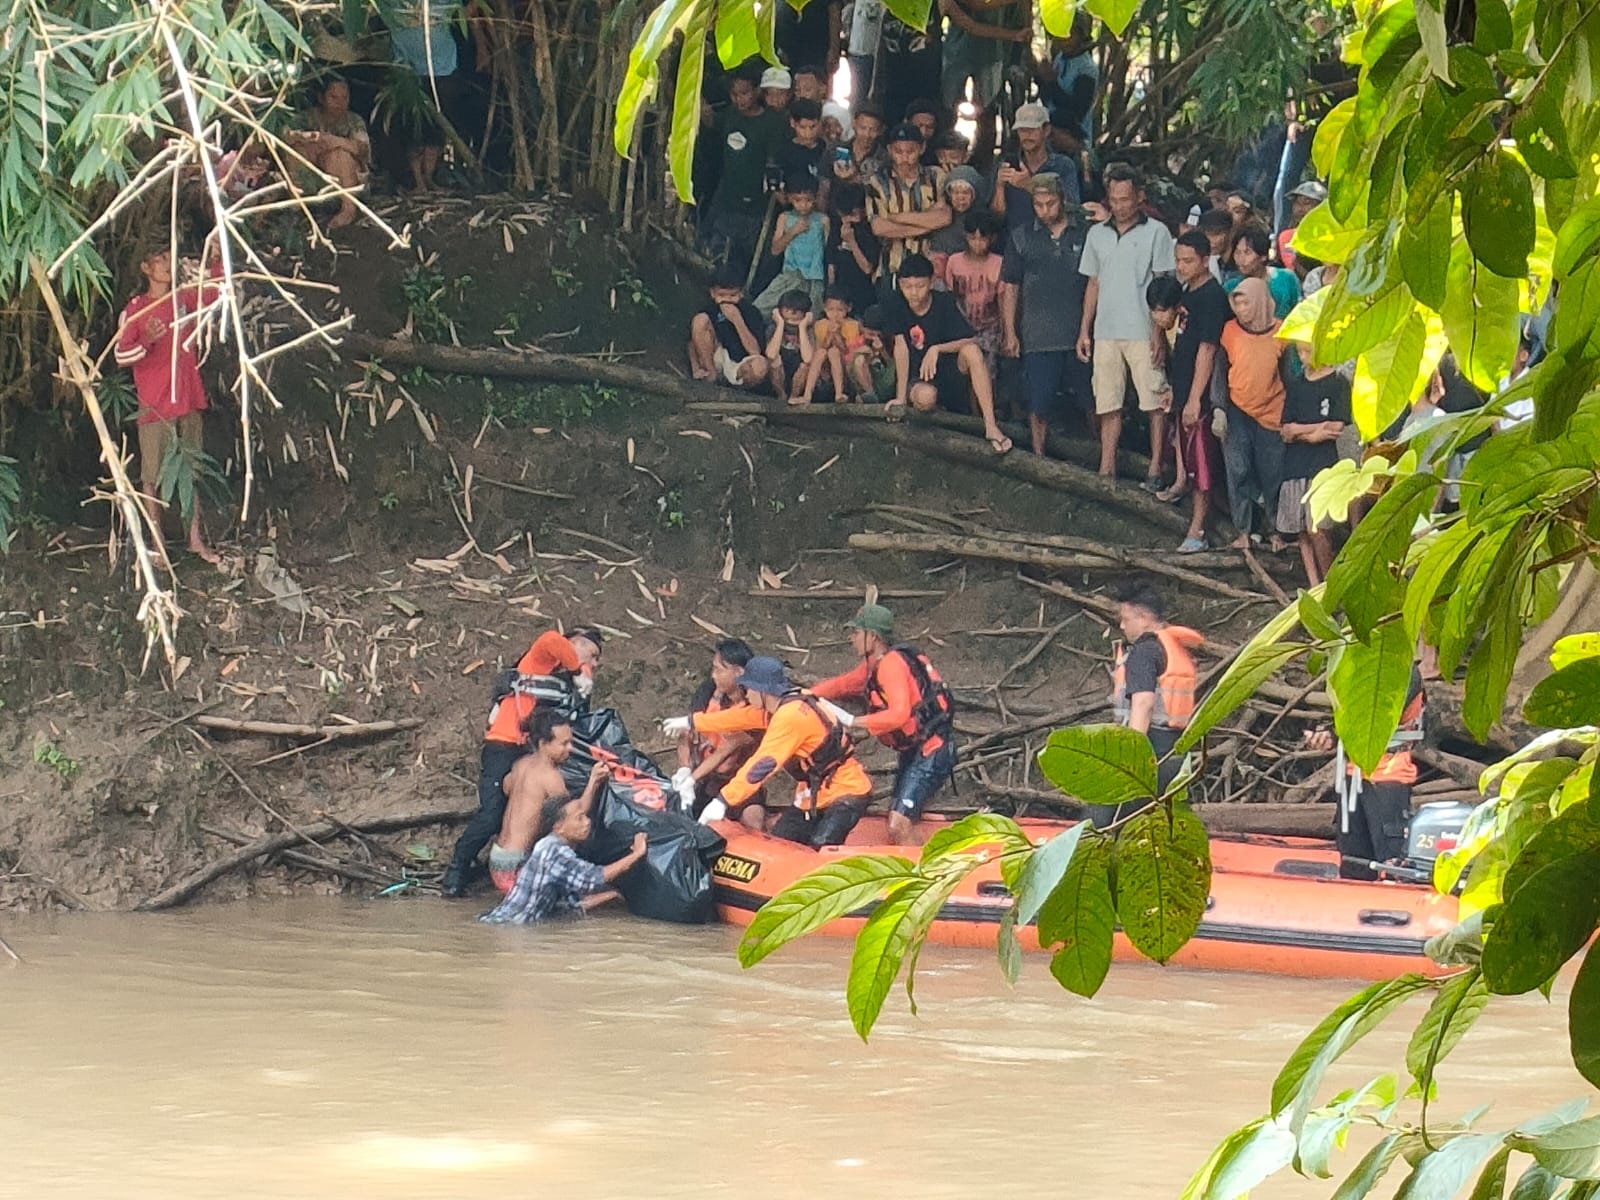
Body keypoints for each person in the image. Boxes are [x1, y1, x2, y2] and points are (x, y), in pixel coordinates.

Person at [442, 627, 602, 895]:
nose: (595, 663)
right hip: (503, 745)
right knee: (492, 814)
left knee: (530, 810)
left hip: (530, 750)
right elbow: (552, 639)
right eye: (593, 655)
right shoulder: (541, 659)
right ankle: (457, 870)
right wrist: (578, 671)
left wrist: (583, 675)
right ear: (575, 643)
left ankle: (509, 867)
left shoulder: (564, 680)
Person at [114, 245, 226, 567]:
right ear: (145, 268)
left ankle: (194, 540)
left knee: (191, 469)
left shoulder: (183, 300)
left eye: (167, 258)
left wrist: (217, 261)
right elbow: (122, 356)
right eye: (158, 260)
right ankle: (157, 544)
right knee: (152, 475)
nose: (165, 265)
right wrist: (147, 339)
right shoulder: (135, 310)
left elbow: (218, 296)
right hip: (155, 404)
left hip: (187, 398)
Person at [810, 604, 957, 844]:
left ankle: (924, 877)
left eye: (857, 633)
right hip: (916, 750)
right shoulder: (875, 665)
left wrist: (856, 722)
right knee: (901, 816)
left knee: (899, 823)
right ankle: (915, 854)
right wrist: (808, 694)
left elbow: (899, 714)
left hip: (932, 751)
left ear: (873, 637)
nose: (852, 638)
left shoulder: (890, 665)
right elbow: (845, 684)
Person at [697, 657, 874, 848]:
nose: (746, 694)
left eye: (748, 689)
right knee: (781, 841)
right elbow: (741, 717)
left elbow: (762, 764)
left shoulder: (791, 716)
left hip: (846, 791)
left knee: (820, 845)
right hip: (814, 793)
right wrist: (693, 722)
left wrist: (724, 800)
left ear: (762, 690)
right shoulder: (785, 703)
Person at [1077, 163, 1176, 482]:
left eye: (1125, 199)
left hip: (1143, 329)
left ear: (1139, 197)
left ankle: (1155, 466)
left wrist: (1159, 333)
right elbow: (1093, 283)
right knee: (1108, 401)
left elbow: (1163, 285)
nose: (1119, 206)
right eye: (1114, 199)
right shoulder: (1096, 234)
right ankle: (1107, 467)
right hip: (1105, 330)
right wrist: (1085, 330)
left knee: (1154, 402)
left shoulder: (1157, 233)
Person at [1145, 230, 1227, 552]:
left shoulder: (1211, 298)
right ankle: (1187, 497)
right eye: (1178, 260)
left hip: (1203, 395)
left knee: (1202, 460)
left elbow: (1207, 351)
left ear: (1206, 260)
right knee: (1188, 455)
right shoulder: (1186, 294)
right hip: (1182, 387)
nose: (1181, 266)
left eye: (1188, 260)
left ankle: (1198, 532)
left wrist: (1194, 399)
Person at [881, 254, 1013, 452]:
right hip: (920, 378)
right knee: (926, 397)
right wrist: (900, 398)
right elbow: (901, 349)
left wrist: (937, 349)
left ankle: (991, 425)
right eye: (907, 287)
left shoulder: (944, 302)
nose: (914, 293)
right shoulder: (896, 304)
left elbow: (971, 339)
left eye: (920, 286)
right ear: (899, 284)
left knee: (972, 352)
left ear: (932, 282)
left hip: (949, 372)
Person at [1096, 583, 1203, 826]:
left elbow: (1143, 703)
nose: (1122, 626)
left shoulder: (1143, 652)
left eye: (1125, 619)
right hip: (1176, 755)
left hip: (1150, 750)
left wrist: (1133, 756)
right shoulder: (1173, 648)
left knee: (1100, 822)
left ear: (1143, 618)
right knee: (1160, 824)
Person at [1000, 173, 1090, 456]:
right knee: (1037, 404)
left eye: (1050, 203)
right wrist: (1010, 332)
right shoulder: (1022, 236)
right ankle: (1039, 458)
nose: (1044, 210)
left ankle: (1100, 455)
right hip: (1037, 334)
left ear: (1062, 200)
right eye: (1038, 204)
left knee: (1091, 401)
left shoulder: (1085, 233)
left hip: (1079, 333)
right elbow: (1010, 287)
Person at [488, 710, 610, 892]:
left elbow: (507, 787)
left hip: (498, 858)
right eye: (564, 744)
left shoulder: (520, 764)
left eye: (571, 743)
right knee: (572, 903)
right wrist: (594, 780)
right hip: (516, 866)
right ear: (544, 744)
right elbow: (577, 813)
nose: (570, 748)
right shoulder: (550, 776)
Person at [480, 796, 648, 924]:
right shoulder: (555, 851)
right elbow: (594, 878)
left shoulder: (550, 844)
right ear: (558, 827)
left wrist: (611, 896)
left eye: (585, 816)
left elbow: (564, 906)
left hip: (506, 921)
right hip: (512, 925)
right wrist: (636, 854)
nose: (587, 822)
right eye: (579, 818)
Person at [387, 1, 488, 193]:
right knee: (414, 127)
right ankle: (418, 182)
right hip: (407, 70)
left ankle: (428, 178)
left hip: (443, 68)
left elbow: (469, 10)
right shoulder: (393, 3)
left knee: (437, 127)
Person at [1218, 276, 1289, 549]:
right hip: (1236, 410)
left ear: (1259, 301)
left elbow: (1287, 376)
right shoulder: (1229, 331)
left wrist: (1289, 416)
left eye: (1245, 302)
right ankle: (1244, 531)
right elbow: (1219, 373)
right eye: (1236, 303)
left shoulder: (1281, 332)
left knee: (1273, 474)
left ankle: (1276, 531)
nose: (1240, 309)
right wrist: (1218, 409)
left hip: (1272, 412)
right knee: (1238, 470)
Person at [1277, 334, 1350, 585]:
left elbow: (1335, 427)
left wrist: (1301, 431)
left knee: (1318, 528)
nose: (1303, 357)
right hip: (1294, 464)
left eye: (1307, 351)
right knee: (1300, 530)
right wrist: (1312, 433)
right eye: (1299, 352)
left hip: (1323, 465)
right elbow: (1285, 430)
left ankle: (1330, 583)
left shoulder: (1338, 382)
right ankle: (1314, 584)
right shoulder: (1296, 385)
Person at [702, 74, 785, 270]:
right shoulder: (730, 115)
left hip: (756, 203)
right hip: (726, 198)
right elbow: (711, 120)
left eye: (745, 93)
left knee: (751, 255)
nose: (739, 99)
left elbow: (773, 161)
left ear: (757, 91)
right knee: (716, 250)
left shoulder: (772, 122)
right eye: (734, 94)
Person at [673, 639, 760, 814]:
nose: (714, 675)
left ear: (739, 673)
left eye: (719, 670)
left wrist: (692, 778)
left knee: (753, 817)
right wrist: (684, 768)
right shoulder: (708, 690)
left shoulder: (756, 706)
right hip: (704, 775)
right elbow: (687, 732)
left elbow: (728, 749)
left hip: (738, 779)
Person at [867, 122, 951, 290]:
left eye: (910, 151)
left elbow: (945, 217)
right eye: (898, 151)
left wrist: (897, 218)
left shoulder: (936, 176)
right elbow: (880, 228)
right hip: (892, 268)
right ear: (890, 150)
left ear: (922, 148)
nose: (904, 157)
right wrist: (927, 225)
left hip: (932, 268)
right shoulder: (878, 181)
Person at [939, 0, 1030, 145]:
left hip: (994, 51)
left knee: (988, 106)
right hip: (958, 50)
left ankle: (984, 155)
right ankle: (946, 148)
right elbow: (975, 6)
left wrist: (1025, 31)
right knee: (949, 104)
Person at [286, 78, 371, 231]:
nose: (340, 103)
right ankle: (297, 208)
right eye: (334, 97)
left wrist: (336, 142)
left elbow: (363, 149)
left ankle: (348, 210)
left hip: (345, 183)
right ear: (321, 98)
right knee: (297, 151)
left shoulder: (354, 120)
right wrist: (305, 138)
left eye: (344, 98)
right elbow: (283, 136)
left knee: (339, 155)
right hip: (312, 182)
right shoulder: (307, 117)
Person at [991, 102, 1082, 231]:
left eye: (1032, 130)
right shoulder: (1007, 164)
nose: (1027, 136)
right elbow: (995, 218)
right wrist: (999, 187)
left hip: (1051, 243)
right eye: (1022, 130)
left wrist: (1030, 186)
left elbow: (1073, 209)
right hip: (1014, 245)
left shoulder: (1063, 166)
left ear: (1046, 130)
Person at [754, 179, 829, 316]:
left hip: (814, 278)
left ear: (815, 199)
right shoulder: (785, 218)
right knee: (760, 309)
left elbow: (827, 250)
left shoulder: (822, 220)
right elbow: (775, 249)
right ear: (789, 199)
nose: (803, 205)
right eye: (798, 200)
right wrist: (793, 231)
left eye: (808, 200)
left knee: (811, 317)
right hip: (790, 275)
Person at [689, 266, 770, 390]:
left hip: (741, 363)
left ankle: (740, 390)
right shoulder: (709, 309)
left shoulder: (751, 312)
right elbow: (692, 342)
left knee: (760, 366)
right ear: (712, 293)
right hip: (716, 357)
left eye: (733, 295)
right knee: (700, 320)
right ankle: (711, 376)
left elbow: (755, 352)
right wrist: (696, 368)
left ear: (741, 293)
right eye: (721, 295)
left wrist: (737, 320)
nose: (727, 299)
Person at [940, 210, 1005, 365]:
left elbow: (1003, 299)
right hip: (960, 328)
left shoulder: (999, 263)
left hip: (990, 330)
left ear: (992, 238)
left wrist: (1005, 331)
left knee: (986, 369)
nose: (977, 243)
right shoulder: (954, 262)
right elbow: (949, 297)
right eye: (972, 238)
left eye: (982, 239)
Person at [798, 286, 866, 403]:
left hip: (844, 370)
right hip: (824, 371)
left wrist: (838, 334)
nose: (835, 314)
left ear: (848, 308)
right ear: (824, 308)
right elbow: (821, 348)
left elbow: (846, 351)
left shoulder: (853, 325)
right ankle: (807, 394)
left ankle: (839, 393)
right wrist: (830, 334)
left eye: (840, 310)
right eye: (831, 310)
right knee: (822, 352)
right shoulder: (820, 325)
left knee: (834, 352)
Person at [826, 182, 883, 315]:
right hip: (841, 294)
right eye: (844, 215)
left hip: (863, 293)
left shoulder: (869, 231)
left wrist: (851, 241)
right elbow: (831, 262)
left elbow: (868, 268)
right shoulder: (837, 227)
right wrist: (831, 292)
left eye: (852, 214)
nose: (848, 219)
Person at [1225, 224, 1300, 318]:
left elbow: (1298, 311)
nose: (1241, 258)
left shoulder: (1286, 278)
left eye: (1247, 252)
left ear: (1263, 256)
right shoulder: (1231, 287)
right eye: (1237, 252)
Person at [926, 165, 985, 272]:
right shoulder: (940, 214)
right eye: (956, 192)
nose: (960, 198)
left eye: (966, 193)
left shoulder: (983, 219)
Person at [765, 289, 817, 402]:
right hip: (780, 374)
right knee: (775, 360)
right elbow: (771, 354)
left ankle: (794, 396)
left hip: (799, 373)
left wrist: (802, 327)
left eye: (795, 320)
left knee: (805, 366)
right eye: (787, 319)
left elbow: (808, 359)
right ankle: (781, 395)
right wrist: (780, 325)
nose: (790, 323)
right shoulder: (773, 327)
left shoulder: (809, 330)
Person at [773, 98, 829, 202]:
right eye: (803, 127)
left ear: (820, 122)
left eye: (813, 127)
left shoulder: (827, 148)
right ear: (793, 123)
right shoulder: (784, 151)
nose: (808, 133)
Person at [829, 102, 886, 194]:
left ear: (881, 130)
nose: (867, 135)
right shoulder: (836, 150)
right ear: (854, 124)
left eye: (873, 130)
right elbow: (824, 187)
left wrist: (855, 179)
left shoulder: (885, 158)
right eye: (863, 128)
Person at [850, 305, 900, 403]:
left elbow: (894, 367)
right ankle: (870, 394)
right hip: (868, 384)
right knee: (859, 360)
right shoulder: (859, 340)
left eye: (877, 335)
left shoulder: (892, 341)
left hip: (886, 383)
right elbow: (849, 367)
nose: (873, 337)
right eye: (870, 334)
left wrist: (882, 351)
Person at [1277, 179, 1326, 268]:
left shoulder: (1331, 236)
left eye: (1307, 203)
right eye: (1297, 203)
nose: (1300, 209)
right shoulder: (1288, 236)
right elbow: (1292, 265)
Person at [1196, 208, 1234, 282]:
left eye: (1215, 234)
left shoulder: (1240, 264)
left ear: (1229, 232)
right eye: (1206, 235)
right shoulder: (1209, 262)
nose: (1210, 241)